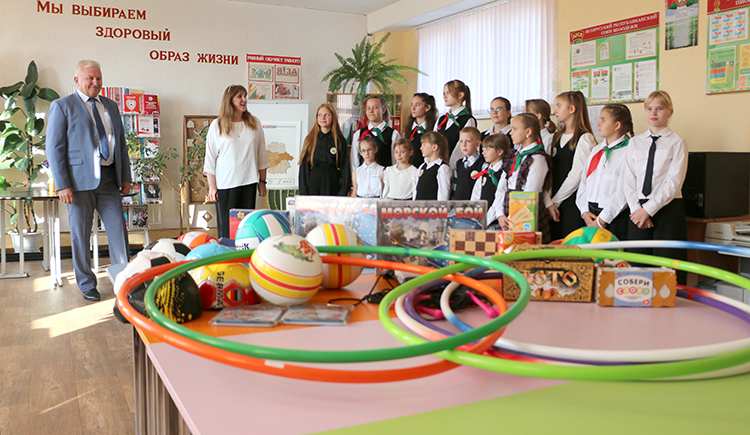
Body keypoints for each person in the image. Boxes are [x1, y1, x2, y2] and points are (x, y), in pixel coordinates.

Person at [46, 60, 131, 302]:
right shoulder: (62, 106)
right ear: (77, 81)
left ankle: (124, 282)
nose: (95, 82)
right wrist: (62, 184)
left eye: (98, 78)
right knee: (80, 236)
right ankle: (86, 284)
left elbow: (120, 144)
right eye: (90, 78)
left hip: (110, 179)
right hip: (77, 183)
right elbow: (54, 148)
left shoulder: (111, 106)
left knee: (118, 232)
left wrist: (126, 176)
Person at [620, 90, 688, 281]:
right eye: (649, 108)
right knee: (637, 263)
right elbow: (628, 179)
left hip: (667, 207)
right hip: (637, 209)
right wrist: (637, 210)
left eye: (660, 108)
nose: (654, 113)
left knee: (666, 265)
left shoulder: (677, 142)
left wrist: (648, 210)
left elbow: (674, 182)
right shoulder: (635, 142)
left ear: (670, 112)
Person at [204, 85, 269, 239]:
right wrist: (212, 186)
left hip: (249, 183)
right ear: (230, 100)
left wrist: (262, 181)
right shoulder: (217, 125)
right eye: (239, 96)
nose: (244, 99)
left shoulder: (254, 123)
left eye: (245, 95)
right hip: (226, 185)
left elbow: (261, 154)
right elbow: (210, 158)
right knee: (227, 231)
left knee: (246, 228)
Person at [575, 104, 633, 241]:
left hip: (614, 216)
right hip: (591, 214)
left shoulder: (629, 151)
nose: (598, 124)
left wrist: (602, 220)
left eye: (603, 120)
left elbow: (624, 192)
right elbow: (584, 182)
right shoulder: (597, 150)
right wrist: (584, 211)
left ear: (617, 125)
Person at [544, 90, 597, 241]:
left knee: (571, 243)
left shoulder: (585, 138)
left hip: (572, 203)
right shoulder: (555, 137)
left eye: (559, 106)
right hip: (553, 204)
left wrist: (555, 201)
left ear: (572, 109)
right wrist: (549, 202)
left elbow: (576, 175)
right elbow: (547, 172)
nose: (555, 110)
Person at [494, 113, 552, 242]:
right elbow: (501, 188)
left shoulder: (537, 158)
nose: (511, 133)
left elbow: (530, 193)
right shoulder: (513, 156)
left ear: (528, 132)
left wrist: (512, 219)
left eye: (515, 129)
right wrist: (500, 214)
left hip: (526, 215)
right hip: (508, 213)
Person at [299, 103, 351, 196]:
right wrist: (304, 193)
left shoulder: (339, 140)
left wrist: (343, 191)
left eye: (326, 115)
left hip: (333, 184)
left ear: (333, 117)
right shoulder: (310, 139)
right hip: (314, 184)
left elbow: (345, 167)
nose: (323, 117)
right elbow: (304, 169)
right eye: (320, 115)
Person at [350, 95, 400, 171]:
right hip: (364, 177)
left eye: (375, 107)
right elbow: (354, 163)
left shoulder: (393, 134)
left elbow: (396, 162)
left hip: (384, 177)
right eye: (368, 108)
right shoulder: (358, 134)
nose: (371, 111)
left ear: (383, 110)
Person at [471, 134, 513, 225]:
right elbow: (475, 197)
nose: (483, 152)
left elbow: (498, 199)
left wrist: (486, 221)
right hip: (481, 221)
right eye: (483, 149)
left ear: (499, 152)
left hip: (495, 222)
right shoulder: (485, 173)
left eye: (487, 149)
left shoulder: (504, 172)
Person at [434, 80, 476, 167]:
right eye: (444, 93)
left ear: (460, 95)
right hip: (437, 165)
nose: (444, 96)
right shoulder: (442, 119)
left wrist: (450, 167)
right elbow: (432, 141)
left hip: (454, 167)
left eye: (448, 93)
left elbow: (461, 150)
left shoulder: (467, 120)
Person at [403, 93, 438, 167]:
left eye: (417, 105)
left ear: (427, 107)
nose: (413, 108)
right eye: (412, 105)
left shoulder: (433, 129)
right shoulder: (409, 129)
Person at [415, 132, 452, 201]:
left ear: (434, 147)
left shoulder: (442, 168)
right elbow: (416, 190)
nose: (421, 148)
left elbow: (443, 195)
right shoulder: (422, 166)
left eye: (424, 144)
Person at [452, 127, 485, 200]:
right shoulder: (459, 164)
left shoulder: (483, 163)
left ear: (477, 144)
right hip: (458, 203)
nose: (464, 145)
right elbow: (455, 186)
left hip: (474, 203)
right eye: (461, 141)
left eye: (468, 141)